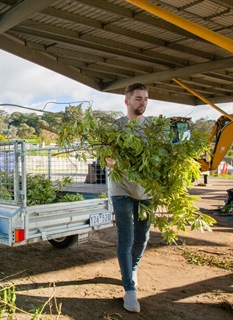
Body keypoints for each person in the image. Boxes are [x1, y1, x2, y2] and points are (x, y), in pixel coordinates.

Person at [107, 83, 152, 313]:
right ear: (127, 101)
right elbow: (108, 160)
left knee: (143, 237)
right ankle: (129, 290)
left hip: (147, 191)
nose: (142, 102)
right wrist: (118, 160)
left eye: (145, 99)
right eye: (137, 99)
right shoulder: (117, 127)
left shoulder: (154, 128)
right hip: (121, 189)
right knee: (126, 238)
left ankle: (131, 269)